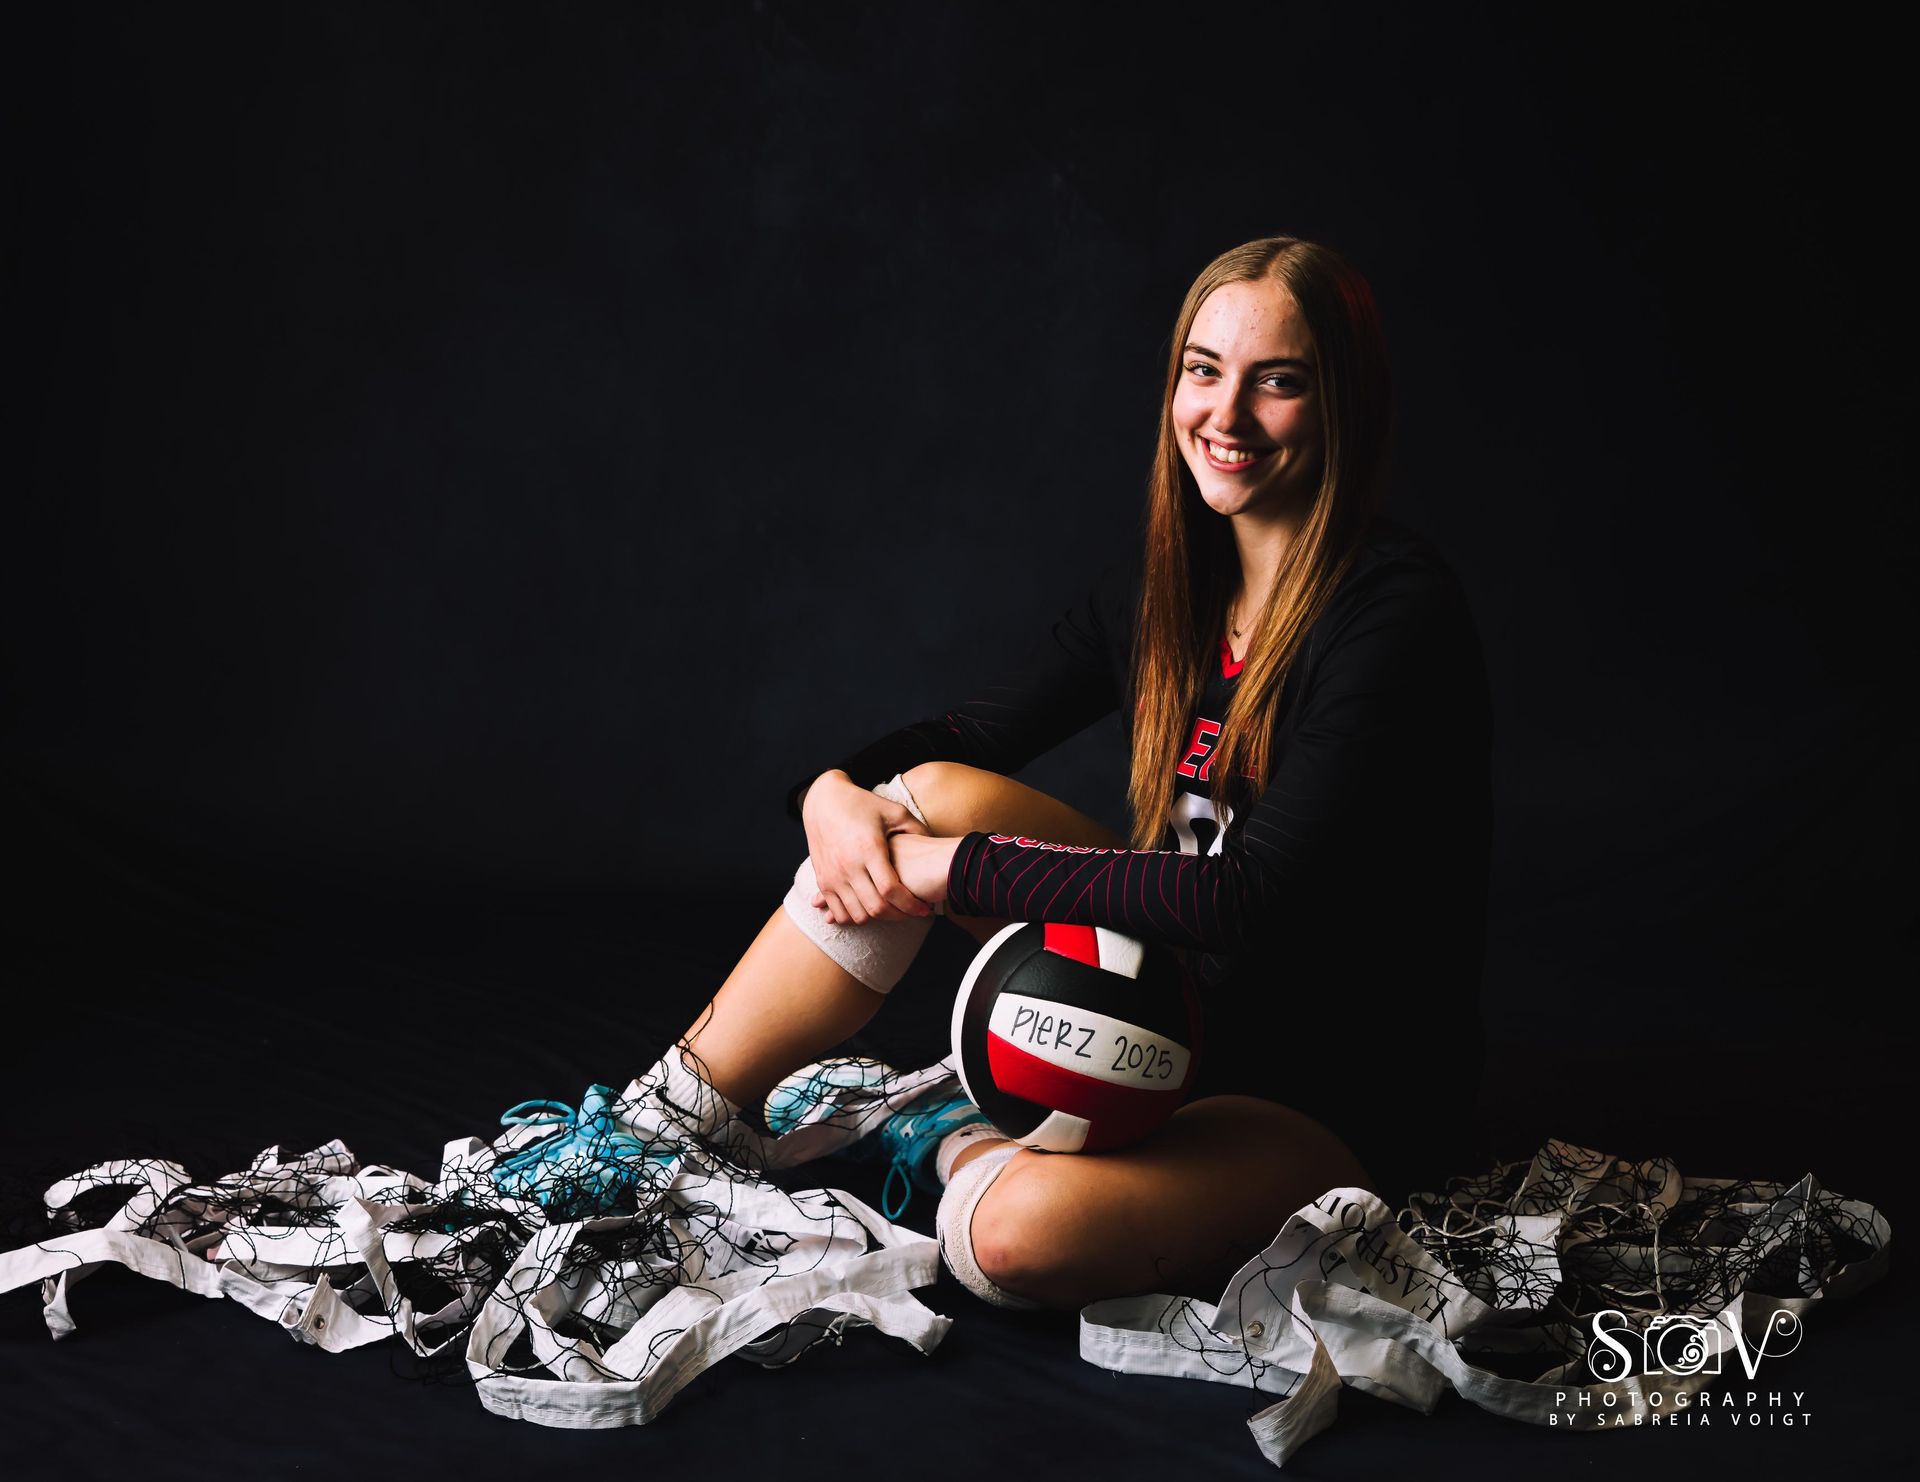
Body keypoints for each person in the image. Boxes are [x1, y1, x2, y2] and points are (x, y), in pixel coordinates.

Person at [601, 234, 1492, 1313]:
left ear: (1344, 403)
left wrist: (954, 872)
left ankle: (935, 1136)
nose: (1227, 415)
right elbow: (962, 736)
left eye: (1281, 383)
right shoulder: (1167, 588)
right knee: (919, 793)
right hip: (1174, 1006)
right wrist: (830, 791)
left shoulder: (1395, 615)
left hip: (1322, 1092)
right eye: (1203, 371)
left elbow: (1243, 898)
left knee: (1016, 1243)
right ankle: (664, 1127)